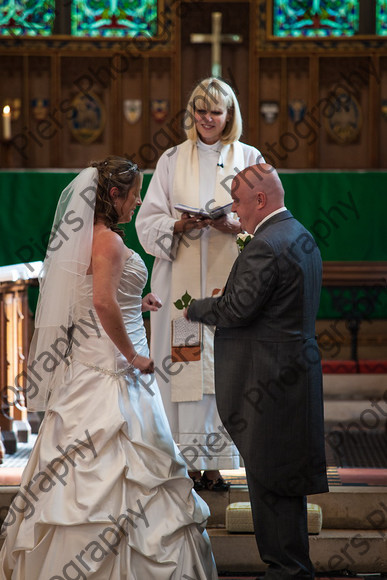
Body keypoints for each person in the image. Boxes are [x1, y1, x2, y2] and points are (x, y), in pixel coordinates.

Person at [0, 157, 218, 580]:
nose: (137, 202)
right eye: (134, 194)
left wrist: (139, 303)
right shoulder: (110, 243)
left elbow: (90, 298)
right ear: (114, 194)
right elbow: (101, 304)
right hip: (115, 373)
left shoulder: (88, 240)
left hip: (86, 368)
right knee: (133, 468)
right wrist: (134, 357)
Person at [186, 164, 329, 577]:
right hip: (292, 375)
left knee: (271, 483)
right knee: (283, 483)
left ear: (260, 200)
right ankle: (290, 568)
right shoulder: (299, 233)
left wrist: (196, 308)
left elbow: (237, 309)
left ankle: (286, 570)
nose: (234, 209)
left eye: (238, 200)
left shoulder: (266, 244)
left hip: (268, 380)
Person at [135, 77, 264, 491]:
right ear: (192, 113)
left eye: (216, 111)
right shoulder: (172, 159)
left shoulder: (249, 157)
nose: (207, 118)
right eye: (200, 110)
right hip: (184, 293)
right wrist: (177, 223)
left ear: (230, 115)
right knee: (186, 369)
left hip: (230, 291)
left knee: (223, 372)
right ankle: (188, 464)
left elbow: (266, 221)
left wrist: (232, 227)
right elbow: (146, 220)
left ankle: (215, 464)